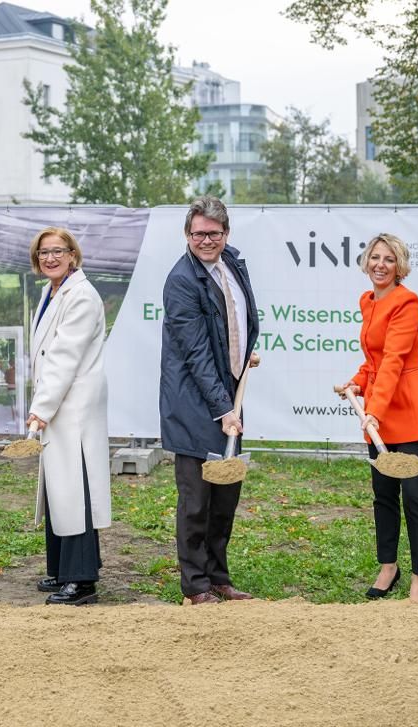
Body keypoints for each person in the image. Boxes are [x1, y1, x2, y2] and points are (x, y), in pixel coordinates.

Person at [159, 196, 259, 605]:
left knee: (225, 496)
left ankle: (218, 577)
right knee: (197, 500)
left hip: (228, 395)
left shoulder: (231, 262)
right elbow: (196, 353)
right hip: (195, 403)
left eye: (213, 233)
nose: (206, 241)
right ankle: (195, 585)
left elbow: (237, 319)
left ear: (226, 234)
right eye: (198, 233)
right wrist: (223, 410)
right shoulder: (181, 280)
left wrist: (243, 352)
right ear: (187, 235)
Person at [337, 233, 418, 604]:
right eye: (375, 257)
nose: (380, 265)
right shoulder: (368, 301)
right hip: (380, 413)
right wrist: (357, 382)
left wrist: (374, 412)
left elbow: (395, 361)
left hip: (413, 412)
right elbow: (375, 360)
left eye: (388, 259)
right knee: (383, 494)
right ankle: (388, 567)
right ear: (366, 262)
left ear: (400, 267)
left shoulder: (407, 303)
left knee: (414, 495)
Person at [26, 226, 111, 606]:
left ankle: (82, 580)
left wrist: (40, 409)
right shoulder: (51, 291)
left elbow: (63, 358)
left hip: (73, 405)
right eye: (43, 252)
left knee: (76, 490)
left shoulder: (82, 296)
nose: (50, 258)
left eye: (58, 251)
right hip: (59, 402)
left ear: (73, 255)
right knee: (60, 488)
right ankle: (63, 569)